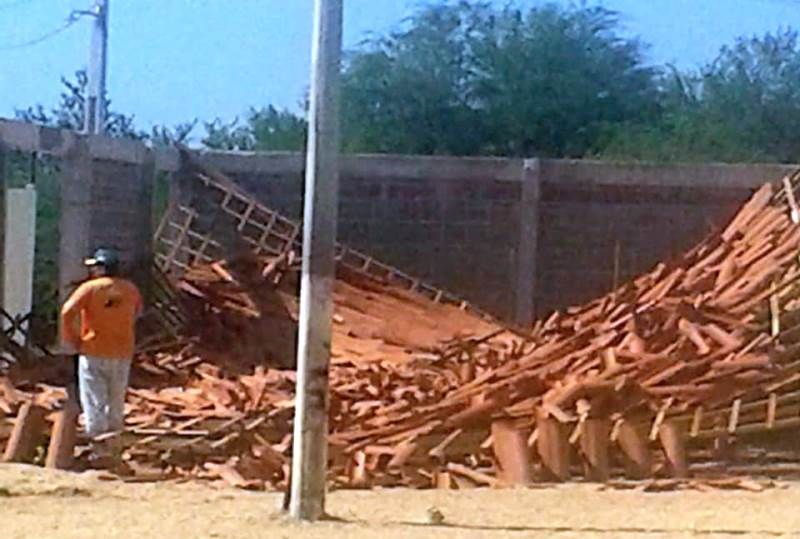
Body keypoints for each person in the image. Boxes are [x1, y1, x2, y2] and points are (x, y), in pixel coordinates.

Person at [60, 248, 142, 463]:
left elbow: (67, 311)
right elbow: (137, 312)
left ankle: (98, 449)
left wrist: (72, 338)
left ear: (101, 268)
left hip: (94, 350)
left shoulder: (90, 289)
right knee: (116, 400)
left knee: (94, 400)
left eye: (95, 266)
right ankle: (114, 447)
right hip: (123, 351)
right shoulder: (131, 289)